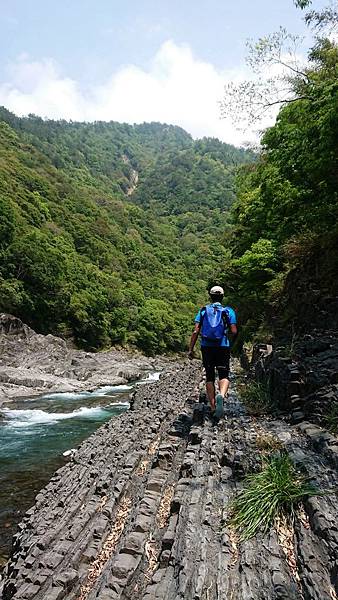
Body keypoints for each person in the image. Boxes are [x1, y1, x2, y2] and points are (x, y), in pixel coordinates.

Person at [188, 285, 237, 417]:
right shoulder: (228, 311)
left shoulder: (203, 310)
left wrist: (191, 349)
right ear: (222, 297)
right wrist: (228, 339)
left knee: (209, 376)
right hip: (223, 346)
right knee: (224, 374)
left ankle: (213, 406)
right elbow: (234, 331)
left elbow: (195, 331)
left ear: (210, 296)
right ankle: (221, 394)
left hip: (206, 347)